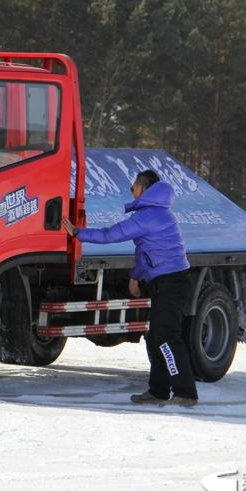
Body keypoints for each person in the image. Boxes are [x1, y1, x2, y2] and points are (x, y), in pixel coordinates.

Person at [62, 170, 198, 407]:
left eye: (134, 185)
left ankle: (185, 393)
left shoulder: (149, 216)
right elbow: (148, 252)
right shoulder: (156, 212)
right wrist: (136, 276)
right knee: (154, 336)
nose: (131, 189)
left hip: (171, 283)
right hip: (167, 281)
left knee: (166, 336)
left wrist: (77, 233)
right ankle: (158, 391)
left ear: (144, 189)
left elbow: (111, 235)